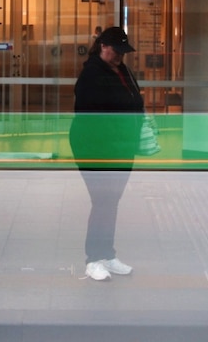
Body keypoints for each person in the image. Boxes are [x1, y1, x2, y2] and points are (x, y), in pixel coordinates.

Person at [68, 26, 144, 281]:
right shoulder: (91, 74)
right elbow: (89, 118)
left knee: (111, 202)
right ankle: (93, 259)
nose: (120, 56)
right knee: (103, 202)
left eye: (123, 51)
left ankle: (107, 254)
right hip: (97, 150)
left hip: (122, 148)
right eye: (116, 50)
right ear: (103, 47)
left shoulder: (122, 71)